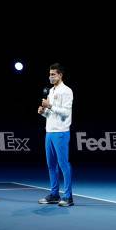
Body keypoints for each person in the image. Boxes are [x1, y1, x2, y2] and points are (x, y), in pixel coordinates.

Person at [37, 63, 74, 207]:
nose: (50, 77)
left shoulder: (67, 91)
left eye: (53, 74)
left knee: (63, 164)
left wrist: (50, 106)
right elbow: (50, 114)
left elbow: (65, 112)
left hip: (61, 132)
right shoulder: (50, 92)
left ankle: (68, 196)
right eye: (50, 74)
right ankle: (54, 194)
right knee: (51, 165)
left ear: (60, 75)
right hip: (49, 132)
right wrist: (43, 112)